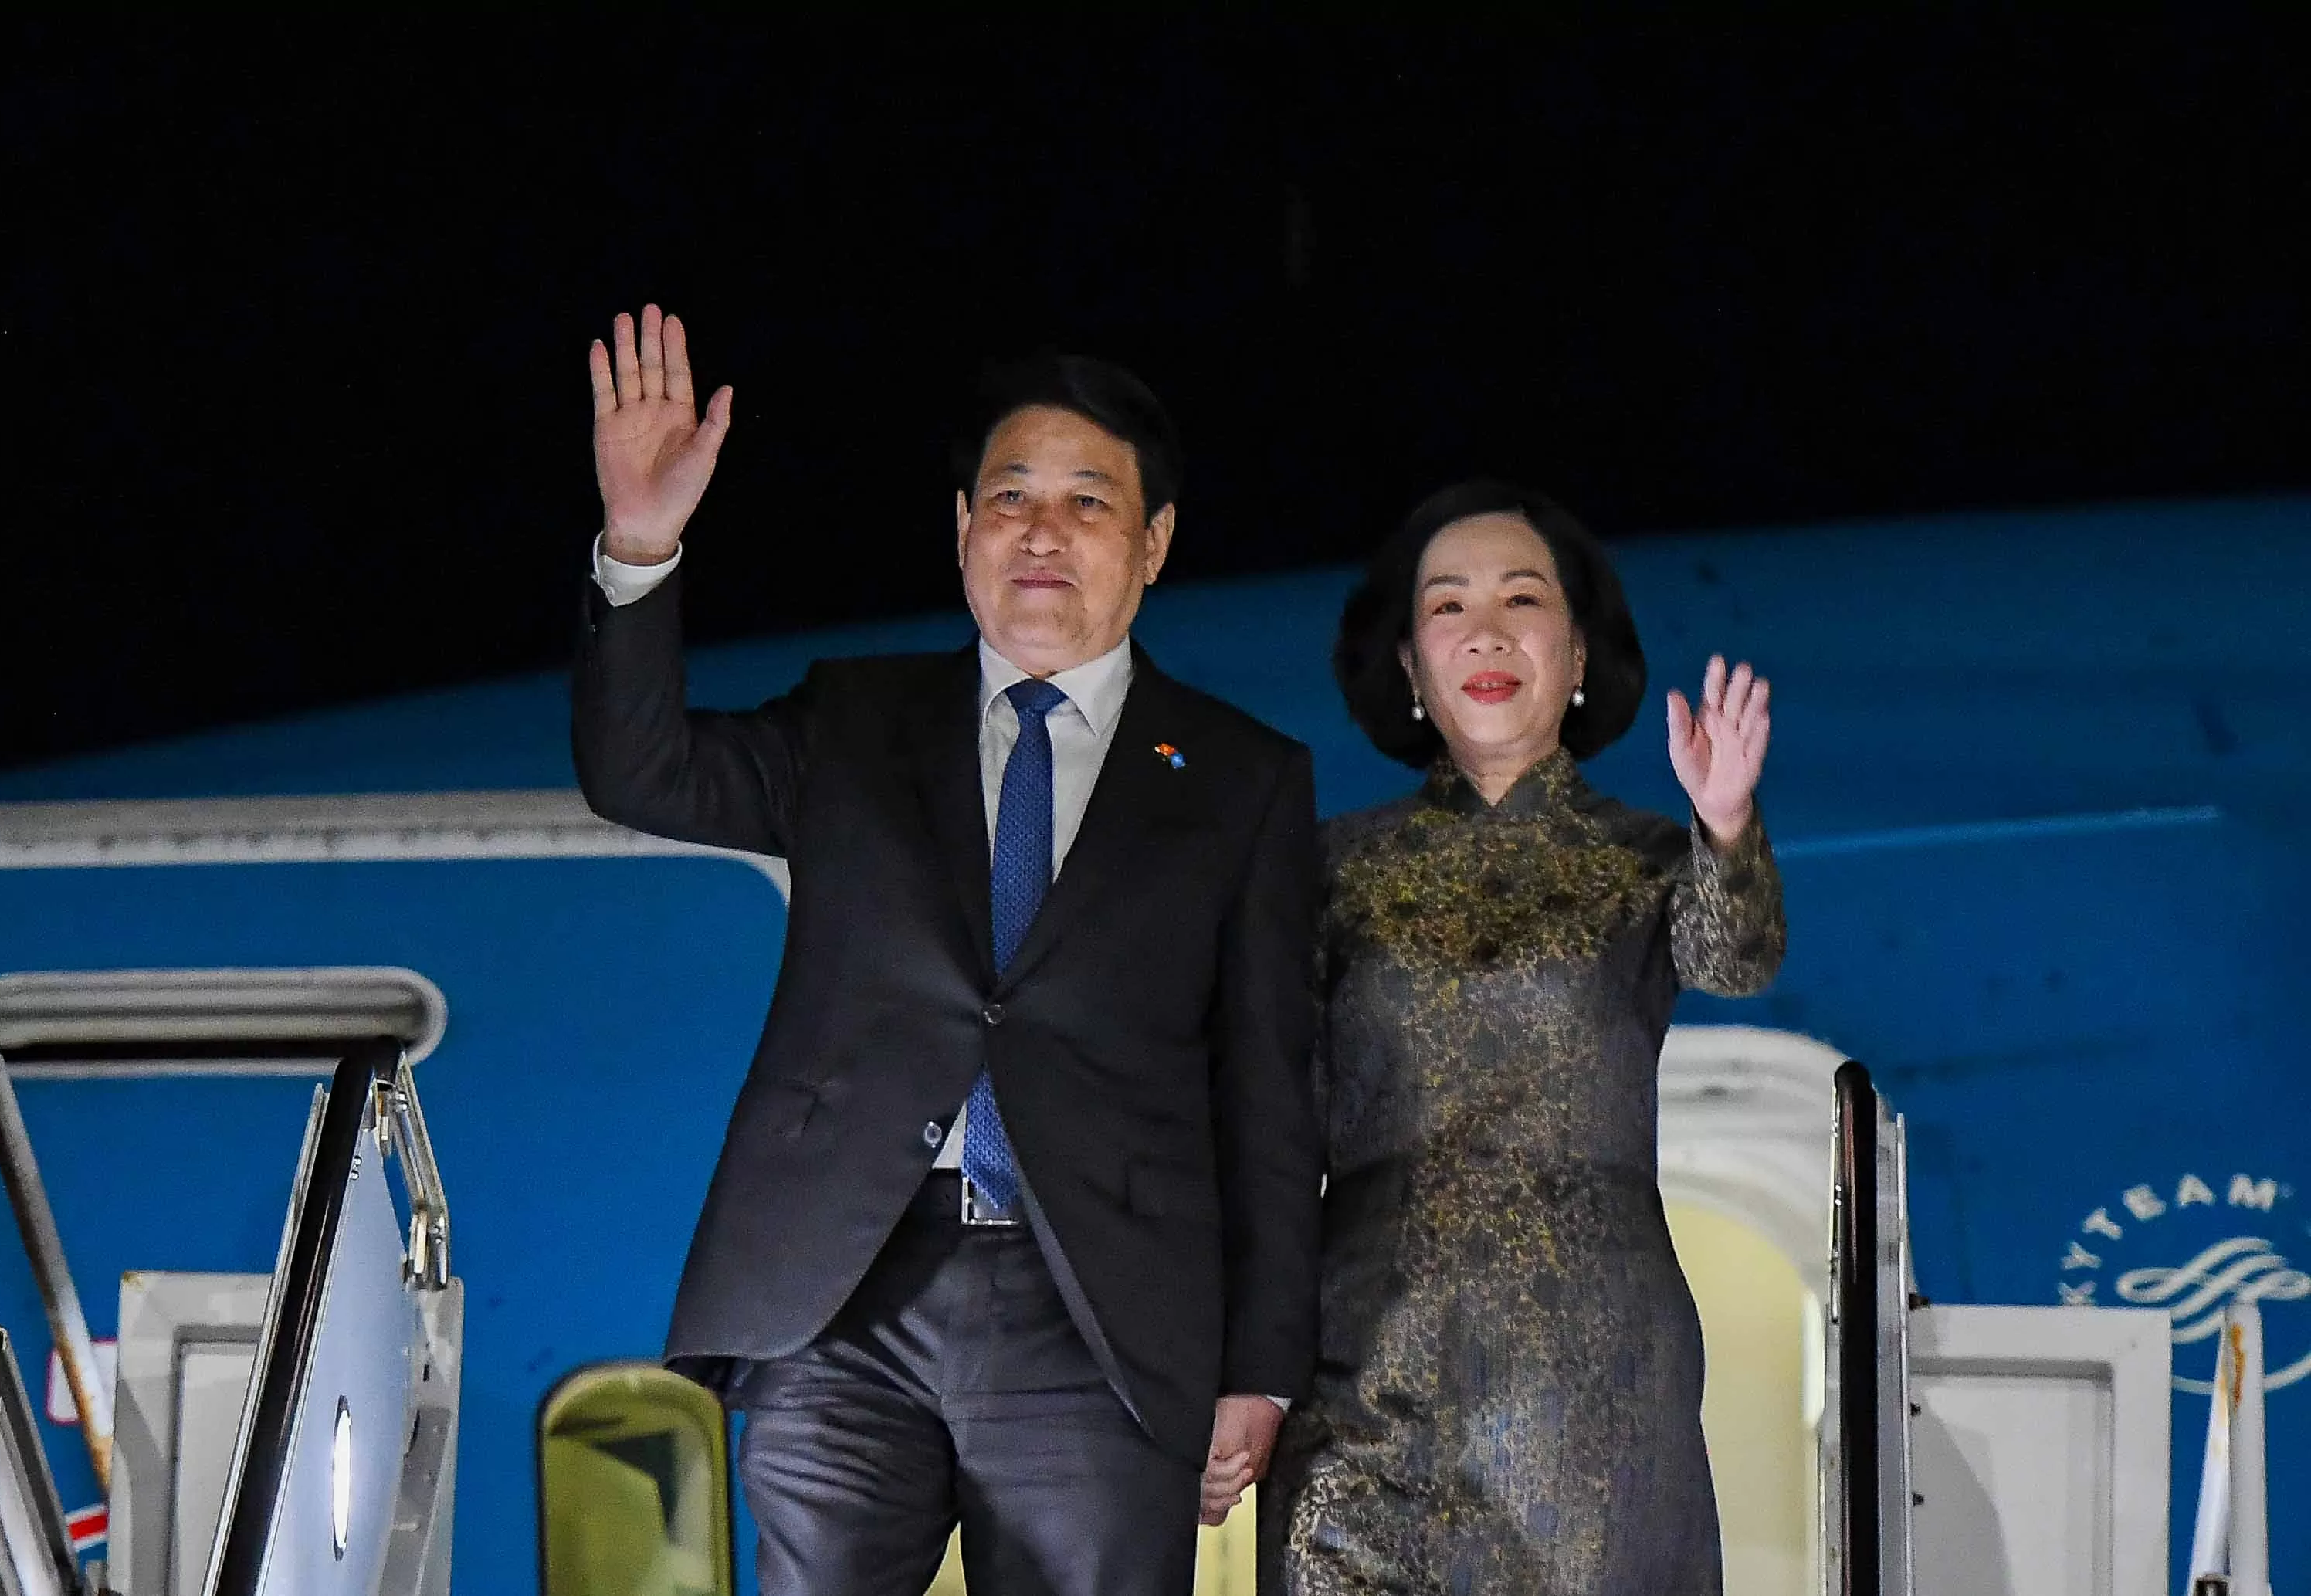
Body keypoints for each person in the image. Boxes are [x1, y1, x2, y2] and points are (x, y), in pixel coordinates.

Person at [570, 306, 1321, 1596]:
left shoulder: (1240, 776)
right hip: (847, 1294)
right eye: (1011, 493)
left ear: (1153, 545)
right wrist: (641, 543)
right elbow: (639, 772)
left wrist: (1258, 1365)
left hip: (1097, 1314)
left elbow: (1268, 1091)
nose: (1042, 529)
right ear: (961, 526)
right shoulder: (856, 718)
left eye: (1089, 501)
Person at [1255, 480, 1787, 1594]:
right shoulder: (1327, 867)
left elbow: (1737, 957)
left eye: (1522, 597)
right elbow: (1268, 1124)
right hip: (1365, 1366)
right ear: (1407, 666)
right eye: (1446, 607)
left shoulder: (1647, 855)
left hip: (1589, 1378)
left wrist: (1726, 824)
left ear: (1579, 651)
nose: (1485, 630)